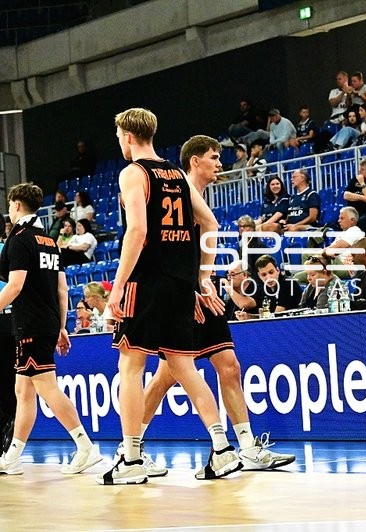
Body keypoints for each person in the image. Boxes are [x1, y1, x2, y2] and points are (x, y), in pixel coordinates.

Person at [133, 135, 295, 477]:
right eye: (213, 156)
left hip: (200, 292)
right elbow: (167, 252)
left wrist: (204, 279)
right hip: (183, 295)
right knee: (166, 375)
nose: (220, 163)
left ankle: (247, 447)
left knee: (228, 366)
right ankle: (132, 447)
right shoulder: (176, 191)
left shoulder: (199, 199)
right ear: (195, 161)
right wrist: (192, 285)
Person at [98, 108, 239, 485]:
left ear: (127, 135)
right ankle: (223, 449)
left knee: (130, 367)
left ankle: (130, 459)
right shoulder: (177, 174)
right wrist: (201, 278)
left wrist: (118, 285)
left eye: (118, 136)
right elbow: (209, 224)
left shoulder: (133, 172)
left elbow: (138, 232)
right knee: (183, 367)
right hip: (180, 284)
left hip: (146, 282)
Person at [0, 182, 102, 476]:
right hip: (44, 322)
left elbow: (15, 286)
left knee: (46, 388)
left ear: (17, 205)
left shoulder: (19, 240)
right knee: (23, 390)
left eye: (9, 205)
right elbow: (62, 288)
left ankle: (86, 447)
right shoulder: (48, 240)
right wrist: (61, 326)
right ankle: (13, 456)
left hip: (30, 322)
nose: (9, 211)